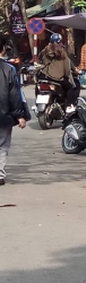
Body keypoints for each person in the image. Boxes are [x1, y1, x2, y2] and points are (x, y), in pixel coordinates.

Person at [0, 33, 29, 186]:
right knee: (2, 144)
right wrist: (20, 115)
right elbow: (15, 94)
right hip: (3, 115)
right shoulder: (9, 69)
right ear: (3, 49)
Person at [38, 33, 79, 108]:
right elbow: (67, 69)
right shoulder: (62, 54)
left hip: (44, 76)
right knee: (70, 87)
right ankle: (69, 106)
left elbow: (39, 59)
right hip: (57, 79)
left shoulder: (45, 51)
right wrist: (68, 74)